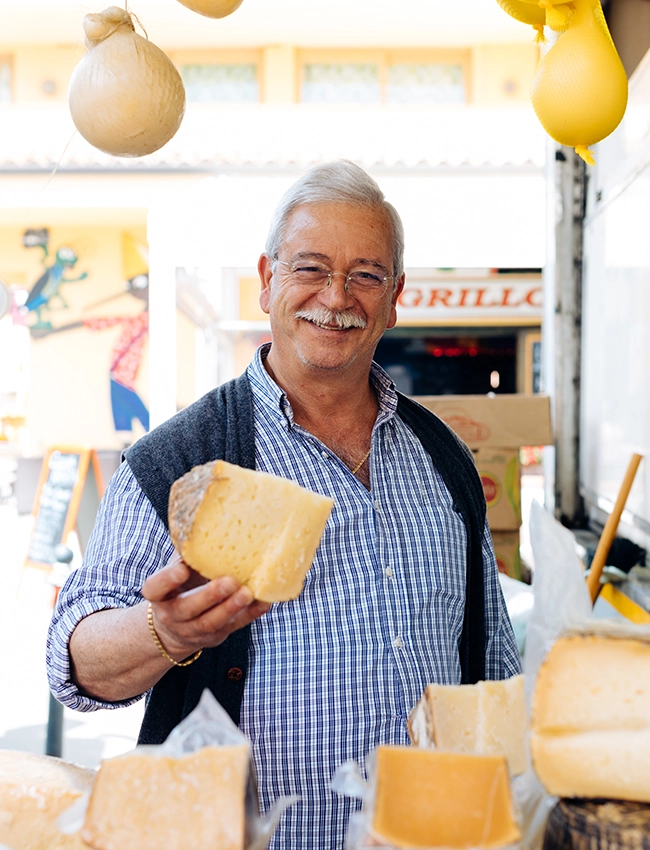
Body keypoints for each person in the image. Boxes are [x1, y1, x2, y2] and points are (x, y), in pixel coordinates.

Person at [47, 160, 521, 850]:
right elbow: (74, 665)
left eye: (366, 274)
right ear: (268, 280)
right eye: (310, 268)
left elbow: (492, 661)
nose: (337, 295)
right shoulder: (182, 459)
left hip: (436, 837)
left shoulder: (441, 456)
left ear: (394, 299)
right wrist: (165, 633)